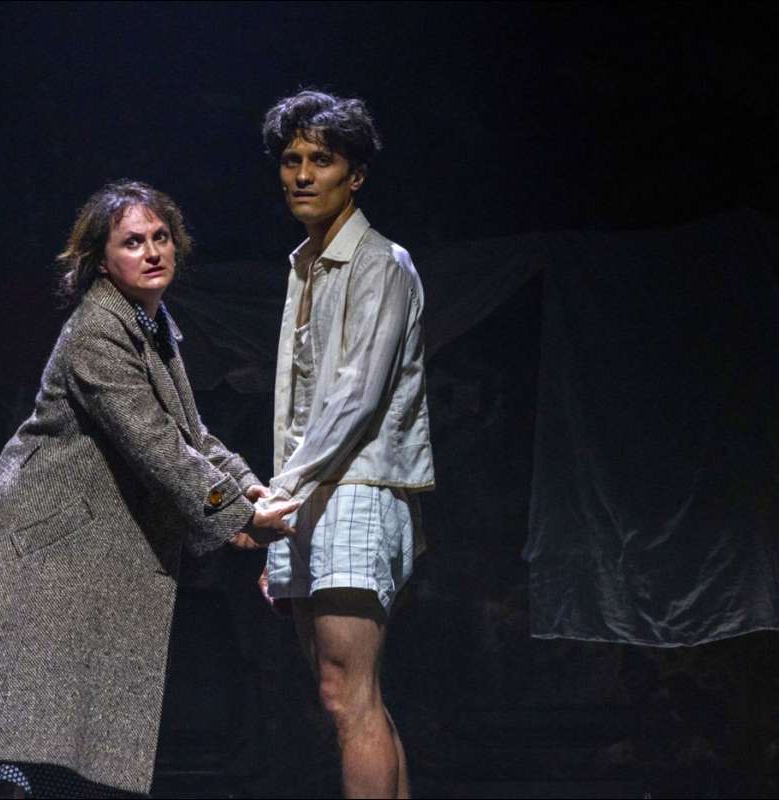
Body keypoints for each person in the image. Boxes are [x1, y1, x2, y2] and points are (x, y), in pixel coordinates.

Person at [0, 180, 298, 798]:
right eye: (133, 242)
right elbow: (155, 444)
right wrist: (235, 514)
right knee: (35, 743)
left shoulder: (151, 324)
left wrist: (250, 490)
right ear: (101, 261)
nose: (152, 252)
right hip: (49, 544)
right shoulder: (98, 331)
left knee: (68, 742)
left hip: (83, 542)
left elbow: (191, 433)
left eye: (160, 237)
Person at [257, 90, 436, 798]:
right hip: (312, 493)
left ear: (355, 175)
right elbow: (301, 408)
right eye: (291, 160)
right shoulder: (304, 265)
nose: (302, 174)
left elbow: (356, 397)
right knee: (350, 697)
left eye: (321, 160)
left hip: (356, 488)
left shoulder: (381, 263)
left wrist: (278, 495)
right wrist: (287, 509)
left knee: (346, 696)